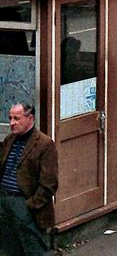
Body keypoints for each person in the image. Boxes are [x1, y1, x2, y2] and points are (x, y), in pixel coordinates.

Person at [0, 102, 58, 255]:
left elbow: (49, 182)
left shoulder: (44, 144)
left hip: (24, 203)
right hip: (4, 202)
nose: (12, 123)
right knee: (9, 248)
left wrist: (31, 205)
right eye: (10, 118)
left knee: (33, 249)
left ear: (30, 118)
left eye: (16, 118)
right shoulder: (9, 140)